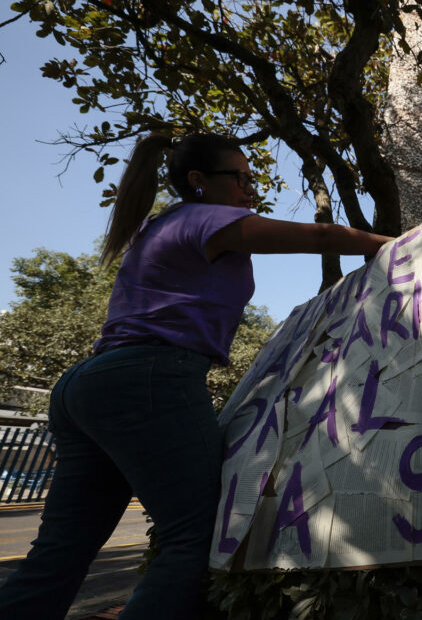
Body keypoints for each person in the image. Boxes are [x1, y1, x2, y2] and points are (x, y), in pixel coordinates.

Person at [0, 133, 392, 620]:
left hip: (89, 385)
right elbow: (321, 237)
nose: (250, 189)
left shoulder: (159, 225)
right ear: (198, 180)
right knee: (197, 536)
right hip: (150, 378)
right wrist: (396, 245)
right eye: (240, 178)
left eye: (252, 178)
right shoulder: (206, 219)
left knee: (61, 550)